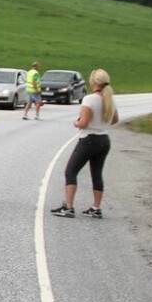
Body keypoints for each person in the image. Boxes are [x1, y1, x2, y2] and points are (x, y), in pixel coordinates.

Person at [51, 69, 119, 218]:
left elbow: (84, 123)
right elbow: (115, 120)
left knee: (71, 171)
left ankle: (69, 207)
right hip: (104, 140)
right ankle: (96, 208)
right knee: (97, 174)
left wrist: (76, 122)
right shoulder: (109, 99)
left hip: (89, 139)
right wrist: (101, 123)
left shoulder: (89, 99)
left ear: (93, 82)